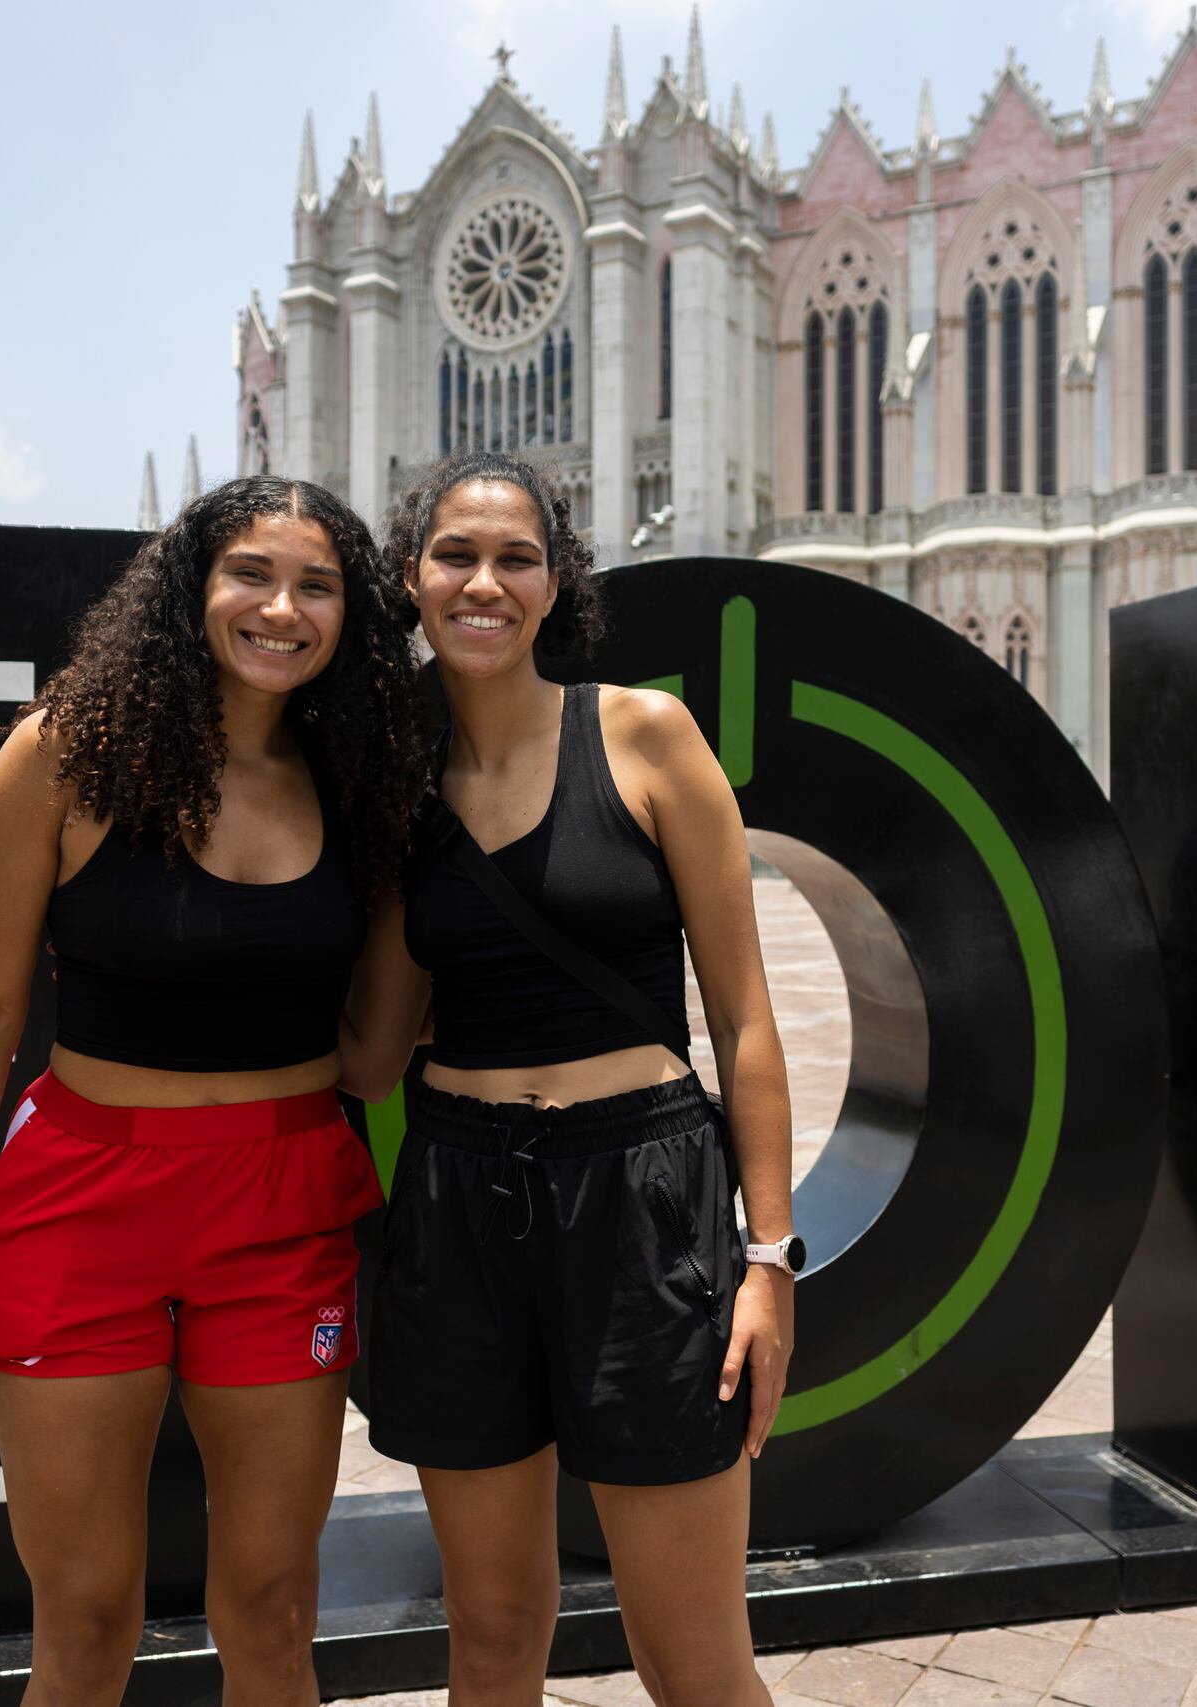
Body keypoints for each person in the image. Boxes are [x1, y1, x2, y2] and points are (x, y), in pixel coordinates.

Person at [0, 475, 426, 1707]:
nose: (281, 607)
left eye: (319, 586)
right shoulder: (65, 754)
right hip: (81, 1200)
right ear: (190, 586)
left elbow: (373, 1051)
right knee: (80, 1619)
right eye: (251, 573)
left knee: (276, 1611)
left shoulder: (363, 779)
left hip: (286, 1206)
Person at [341, 450, 798, 1707]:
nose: (483, 582)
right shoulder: (393, 782)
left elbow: (745, 1020)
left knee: (692, 1660)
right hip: (456, 1196)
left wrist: (769, 1261)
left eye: (516, 558)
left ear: (555, 584)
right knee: (488, 1640)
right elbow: (373, 1052)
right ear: (411, 578)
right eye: (454, 555)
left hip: (643, 1194)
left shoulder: (642, 733)